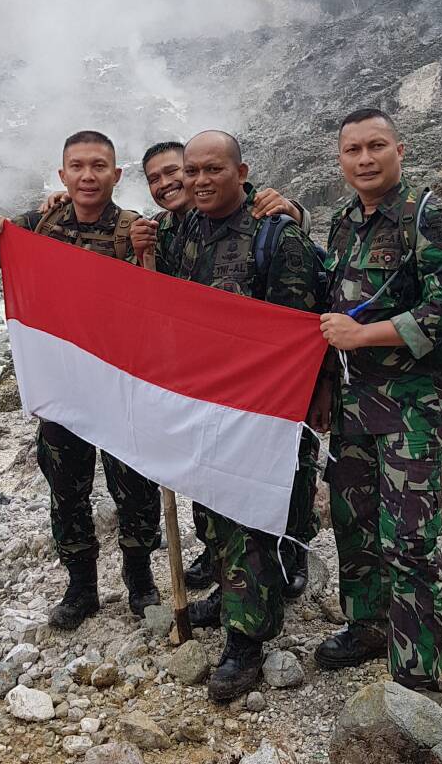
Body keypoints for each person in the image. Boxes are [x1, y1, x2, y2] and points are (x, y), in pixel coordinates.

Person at [45, 139, 319, 597]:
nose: (170, 183)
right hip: (206, 382)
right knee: (212, 481)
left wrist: (293, 207)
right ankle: (224, 571)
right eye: (156, 178)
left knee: (282, 471)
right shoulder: (176, 229)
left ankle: (288, 559)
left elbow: (299, 287)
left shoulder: (262, 221)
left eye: (178, 171)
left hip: (263, 383)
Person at [133, 129, 323, 701]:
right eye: (190, 172)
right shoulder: (178, 228)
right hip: (201, 400)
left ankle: (246, 643)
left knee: (249, 521)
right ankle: (231, 590)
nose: (198, 181)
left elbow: (299, 334)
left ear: (242, 173)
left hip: (259, 408)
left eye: (212, 170)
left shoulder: (277, 238)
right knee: (211, 514)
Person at [0, 131, 162, 630]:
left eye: (98, 166)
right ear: (62, 173)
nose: (87, 175)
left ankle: (140, 579)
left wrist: (147, 255)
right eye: (77, 166)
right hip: (60, 387)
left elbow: (171, 293)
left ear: (117, 174)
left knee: (134, 487)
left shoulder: (137, 230)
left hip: (119, 386)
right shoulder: (38, 225)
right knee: (67, 489)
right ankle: (81, 586)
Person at [313, 108, 442, 695]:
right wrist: (328, 382)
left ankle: (416, 670)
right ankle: (367, 628)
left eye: (376, 146)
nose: (364, 159)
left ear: (399, 150)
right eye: (352, 150)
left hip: (413, 402)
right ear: (341, 160)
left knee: (408, 536)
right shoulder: (343, 222)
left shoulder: (432, 218)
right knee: (353, 524)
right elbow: (330, 308)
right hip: (354, 401)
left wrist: (365, 335)